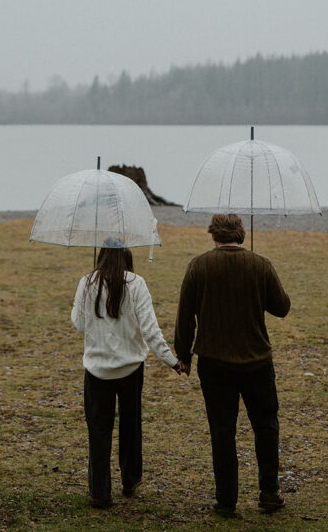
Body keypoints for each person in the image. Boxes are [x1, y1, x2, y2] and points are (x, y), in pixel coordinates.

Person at [174, 214, 291, 518]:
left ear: (213, 234)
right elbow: (282, 307)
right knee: (265, 425)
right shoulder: (260, 264)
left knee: (222, 431)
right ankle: (268, 492)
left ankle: (226, 500)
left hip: (213, 363)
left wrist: (183, 355)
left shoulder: (198, 266)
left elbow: (185, 316)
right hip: (257, 361)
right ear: (240, 234)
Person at [71, 236, 185, 509]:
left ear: (101, 256)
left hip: (97, 370)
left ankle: (100, 492)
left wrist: (85, 299)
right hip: (131, 368)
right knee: (130, 425)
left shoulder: (86, 283)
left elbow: (78, 325)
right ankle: (130, 478)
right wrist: (172, 361)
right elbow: (150, 329)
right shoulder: (137, 284)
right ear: (127, 257)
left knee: (98, 430)